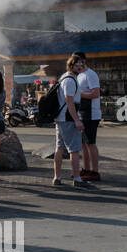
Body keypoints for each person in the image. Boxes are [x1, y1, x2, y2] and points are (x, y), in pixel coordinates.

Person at [52, 55, 90, 188]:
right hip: (68, 118)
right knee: (74, 150)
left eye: (82, 64)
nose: (80, 66)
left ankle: (57, 177)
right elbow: (70, 102)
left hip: (61, 118)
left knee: (59, 148)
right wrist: (77, 120)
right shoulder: (69, 80)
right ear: (71, 65)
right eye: (77, 64)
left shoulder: (64, 77)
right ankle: (77, 179)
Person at [74, 51, 102, 181]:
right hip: (82, 112)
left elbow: (95, 94)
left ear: (83, 60)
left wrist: (78, 95)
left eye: (77, 60)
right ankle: (86, 169)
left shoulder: (91, 75)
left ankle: (95, 171)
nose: (76, 64)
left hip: (91, 113)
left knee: (91, 143)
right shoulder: (79, 75)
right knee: (83, 144)